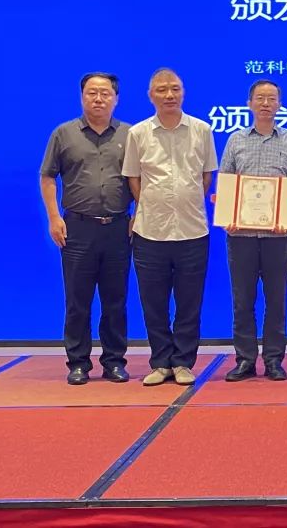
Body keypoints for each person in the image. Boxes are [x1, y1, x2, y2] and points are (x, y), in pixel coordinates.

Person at [122, 68, 218, 387]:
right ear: (150, 95)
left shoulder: (202, 130)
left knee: (189, 303)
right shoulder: (138, 133)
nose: (169, 95)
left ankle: (183, 362)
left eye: (175, 88)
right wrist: (153, 205)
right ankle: (161, 361)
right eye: (162, 90)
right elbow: (134, 178)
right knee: (154, 302)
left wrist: (185, 201)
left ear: (183, 92)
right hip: (150, 231)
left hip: (193, 230)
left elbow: (206, 176)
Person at [40, 73, 133, 385]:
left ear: (116, 99)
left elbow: (140, 179)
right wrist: (54, 217)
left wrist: (139, 214)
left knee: (115, 300)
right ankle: (78, 363)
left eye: (105, 93)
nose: (98, 99)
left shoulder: (130, 135)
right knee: (78, 301)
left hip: (118, 228)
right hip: (77, 228)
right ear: (82, 97)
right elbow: (48, 176)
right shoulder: (63, 134)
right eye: (92, 93)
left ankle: (114, 361)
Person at [219, 80, 287, 382]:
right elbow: (225, 182)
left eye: (271, 98)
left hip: (278, 236)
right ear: (249, 103)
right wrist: (227, 212)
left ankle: (273, 360)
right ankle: (244, 359)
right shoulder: (236, 140)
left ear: (279, 104)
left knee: (276, 300)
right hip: (240, 235)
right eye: (260, 98)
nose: (266, 103)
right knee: (242, 300)